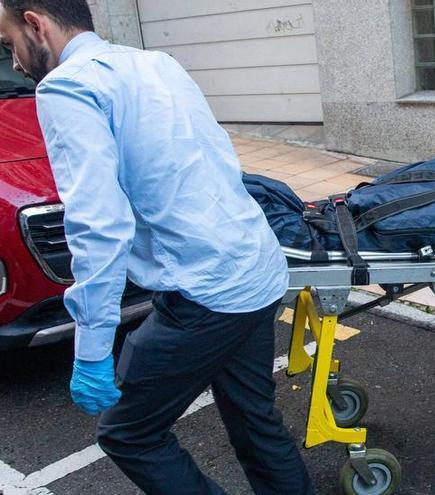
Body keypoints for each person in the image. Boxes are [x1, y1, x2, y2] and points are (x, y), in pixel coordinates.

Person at [0, 1, 314, 492]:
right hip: (255, 266)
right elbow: (212, 157)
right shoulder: (156, 63)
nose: (15, 62)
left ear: (35, 23)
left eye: (9, 43)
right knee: (256, 420)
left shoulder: (66, 86)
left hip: (204, 291)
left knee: (129, 433)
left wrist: (92, 347)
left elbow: (98, 227)